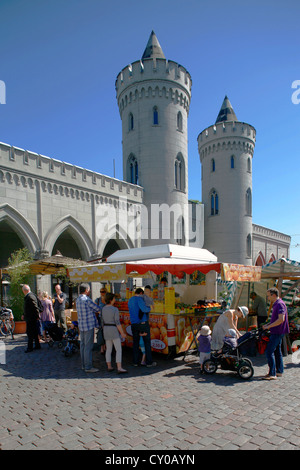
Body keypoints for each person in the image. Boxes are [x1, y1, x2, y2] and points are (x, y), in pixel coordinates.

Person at [262, 287, 290, 380]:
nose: (268, 298)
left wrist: (269, 326)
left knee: (269, 351)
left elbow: (280, 319)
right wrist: (268, 324)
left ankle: (272, 374)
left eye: (268, 296)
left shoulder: (279, 304)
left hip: (277, 331)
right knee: (277, 351)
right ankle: (279, 371)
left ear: (274, 295)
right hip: (277, 331)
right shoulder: (277, 304)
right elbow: (275, 319)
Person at [128, 287, 156, 367]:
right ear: (141, 293)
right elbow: (144, 309)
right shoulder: (140, 299)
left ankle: (135, 361)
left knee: (135, 343)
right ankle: (149, 362)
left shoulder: (130, 300)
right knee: (147, 342)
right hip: (142, 324)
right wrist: (149, 308)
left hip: (134, 324)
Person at [75, 283, 100, 373]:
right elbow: (97, 309)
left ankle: (84, 365)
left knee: (83, 346)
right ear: (86, 290)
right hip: (88, 325)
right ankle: (88, 367)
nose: (89, 291)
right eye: (89, 290)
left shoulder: (78, 299)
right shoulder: (86, 300)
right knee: (88, 347)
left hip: (81, 325)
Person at [102, 292, 127, 373]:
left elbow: (102, 321)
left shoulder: (103, 309)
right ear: (111, 300)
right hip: (113, 329)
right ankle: (119, 367)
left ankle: (109, 366)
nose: (114, 300)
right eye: (114, 298)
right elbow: (117, 322)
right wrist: (122, 333)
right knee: (118, 349)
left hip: (106, 329)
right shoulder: (115, 309)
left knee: (108, 349)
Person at [21, 285, 41, 353]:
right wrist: (24, 314)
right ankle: (37, 345)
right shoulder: (32, 295)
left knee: (30, 333)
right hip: (32, 317)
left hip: (31, 318)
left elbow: (35, 306)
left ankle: (30, 347)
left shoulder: (30, 296)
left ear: (25, 291)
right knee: (34, 332)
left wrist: (37, 315)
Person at [94, 287, 107, 354]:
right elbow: (95, 309)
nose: (102, 293)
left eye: (103, 292)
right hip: (100, 318)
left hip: (107, 318)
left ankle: (105, 346)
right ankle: (102, 348)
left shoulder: (108, 300)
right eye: (101, 291)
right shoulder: (97, 300)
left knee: (106, 333)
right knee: (101, 333)